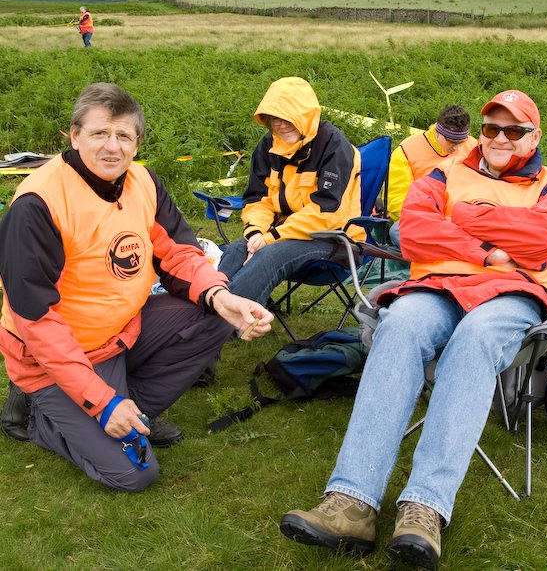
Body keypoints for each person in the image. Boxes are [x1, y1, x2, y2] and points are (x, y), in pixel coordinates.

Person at [279, 90, 547, 569]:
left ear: (534, 137)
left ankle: (425, 507)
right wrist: (485, 250)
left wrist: (462, 216)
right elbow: (414, 230)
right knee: (398, 326)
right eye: (492, 128)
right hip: (438, 285)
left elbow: (542, 240)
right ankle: (352, 503)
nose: (500, 138)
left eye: (515, 130)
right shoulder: (445, 171)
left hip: (511, 293)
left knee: (476, 340)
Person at [0, 83, 273, 492]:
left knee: (216, 316)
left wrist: (222, 295)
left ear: (137, 142)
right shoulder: (38, 204)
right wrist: (102, 401)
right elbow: (36, 321)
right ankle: (41, 414)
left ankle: (130, 414)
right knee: (135, 472)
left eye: (124, 136)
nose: (112, 147)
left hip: (117, 337)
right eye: (99, 134)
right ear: (74, 136)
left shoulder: (142, 182)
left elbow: (180, 253)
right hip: (51, 357)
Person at [218, 76, 365, 306]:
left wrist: (272, 237)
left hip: (333, 239)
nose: (282, 125)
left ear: (305, 115)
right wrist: (257, 232)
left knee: (269, 255)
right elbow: (257, 199)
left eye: (289, 118)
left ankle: (218, 323)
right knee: (238, 248)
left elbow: (326, 214)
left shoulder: (335, 147)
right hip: (284, 230)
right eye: (275, 119)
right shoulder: (268, 145)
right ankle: (207, 306)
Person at [386, 105, 477, 246]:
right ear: (438, 132)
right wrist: (433, 219)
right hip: (426, 216)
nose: (458, 148)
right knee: (397, 231)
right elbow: (397, 202)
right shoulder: (407, 151)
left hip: (464, 214)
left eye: (461, 142)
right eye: (452, 142)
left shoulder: (473, 146)